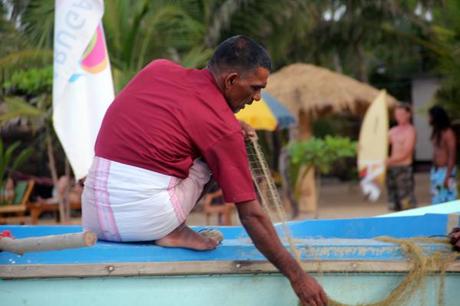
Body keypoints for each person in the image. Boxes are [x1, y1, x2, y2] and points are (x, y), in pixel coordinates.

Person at [82, 35, 327, 306]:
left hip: (92, 216)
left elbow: (183, 114)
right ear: (231, 80)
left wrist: (230, 125)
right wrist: (298, 278)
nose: (257, 98)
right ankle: (172, 231)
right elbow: (252, 216)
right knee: (213, 158)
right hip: (144, 222)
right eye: (255, 88)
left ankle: (167, 226)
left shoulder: (157, 68)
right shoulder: (223, 129)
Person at [386, 103, 417, 211]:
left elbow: (407, 152)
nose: (398, 116)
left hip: (403, 169)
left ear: (408, 114)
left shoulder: (410, 131)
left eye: (401, 114)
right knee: (393, 200)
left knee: (406, 201)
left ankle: (411, 225)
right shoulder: (393, 131)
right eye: (397, 114)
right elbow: (379, 144)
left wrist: (390, 160)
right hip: (391, 169)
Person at [429, 106, 457, 204]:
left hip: (446, 171)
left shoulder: (448, 133)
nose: (428, 119)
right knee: (436, 200)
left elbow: (452, 155)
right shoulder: (437, 132)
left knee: (449, 200)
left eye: (430, 116)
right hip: (436, 171)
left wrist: (448, 176)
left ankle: (452, 220)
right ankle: (439, 219)